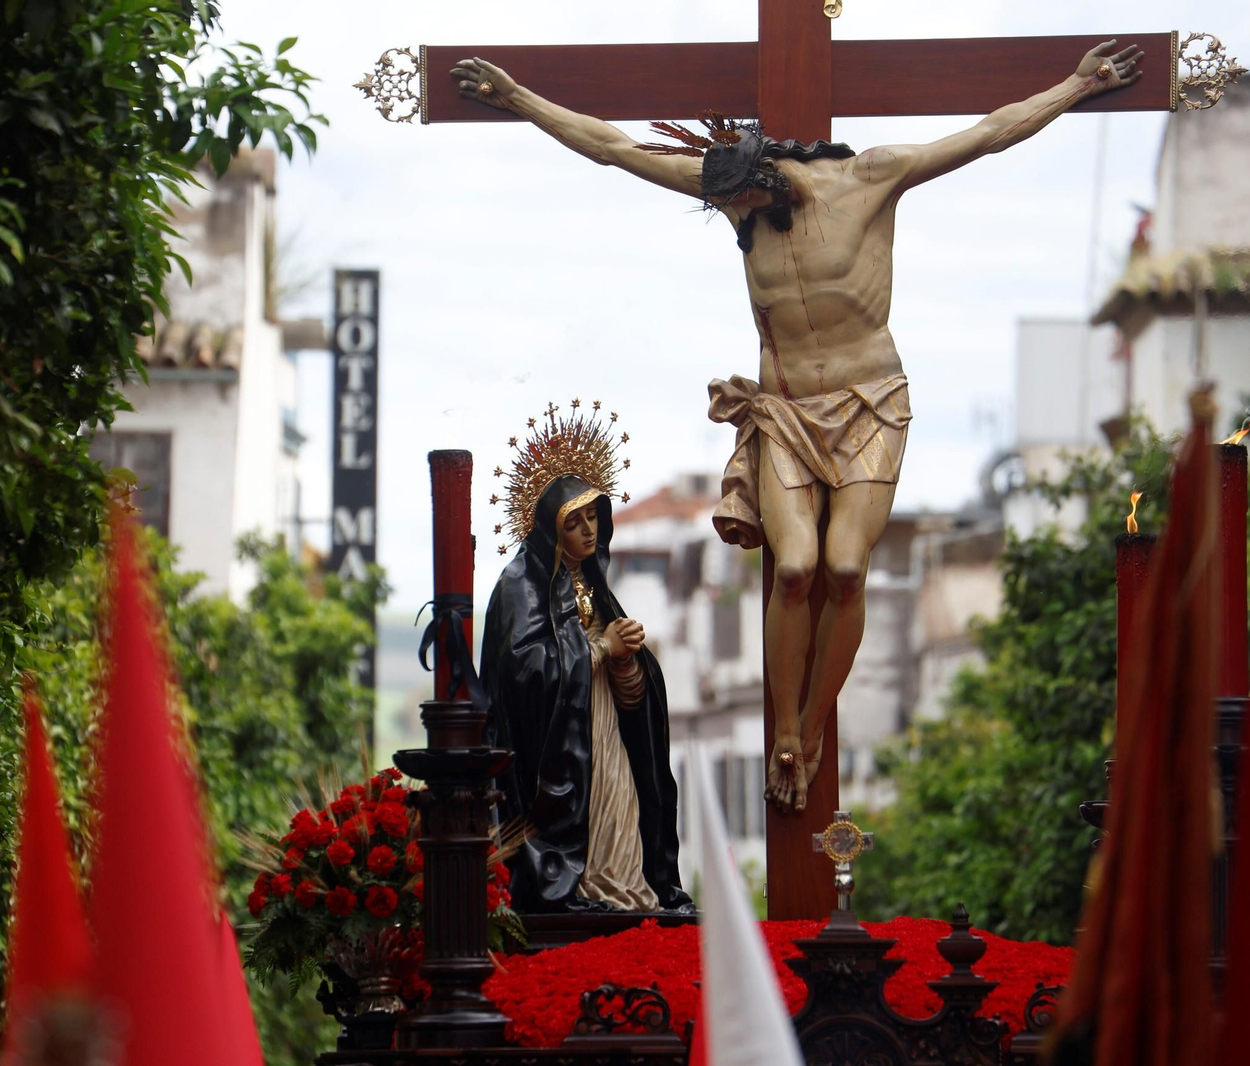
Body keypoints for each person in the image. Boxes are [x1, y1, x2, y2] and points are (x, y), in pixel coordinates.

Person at [452, 41, 1144, 814]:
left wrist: (1075, 86)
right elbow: (614, 148)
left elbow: (987, 133)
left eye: (746, 203)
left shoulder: (872, 179)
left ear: (773, 178)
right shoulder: (734, 196)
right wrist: (518, 98)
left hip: (869, 404)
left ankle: (809, 729)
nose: (738, 218)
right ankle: (784, 728)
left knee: (844, 569)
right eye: (730, 209)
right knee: (793, 570)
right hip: (784, 413)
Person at [481, 447, 690, 913]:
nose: (588, 530)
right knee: (588, 804)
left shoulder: (594, 583)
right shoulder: (521, 583)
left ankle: (622, 887)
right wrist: (600, 650)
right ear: (550, 528)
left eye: (593, 517)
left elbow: (632, 695)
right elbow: (524, 669)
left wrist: (627, 660)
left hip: (602, 723)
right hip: (556, 738)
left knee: (620, 799)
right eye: (574, 523)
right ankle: (581, 885)